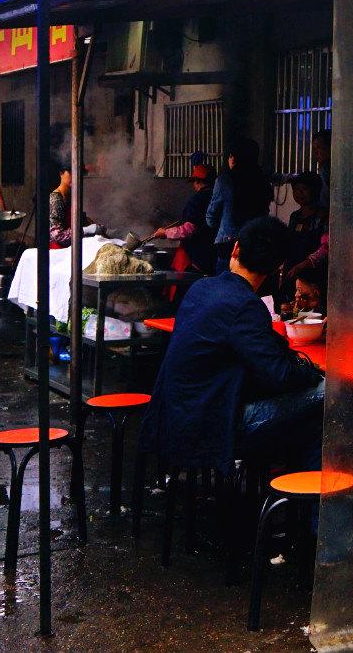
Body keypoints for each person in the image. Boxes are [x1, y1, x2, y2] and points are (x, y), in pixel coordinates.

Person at [142, 217, 325, 473]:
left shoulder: (201, 288)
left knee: (305, 414)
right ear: (277, 267)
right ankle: (308, 493)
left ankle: (287, 482)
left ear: (236, 248)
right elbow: (280, 374)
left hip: (172, 415)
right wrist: (309, 371)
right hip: (210, 425)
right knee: (326, 391)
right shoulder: (246, 305)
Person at [205, 137, 272, 273]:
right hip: (254, 242)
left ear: (235, 158)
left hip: (228, 243)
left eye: (231, 155)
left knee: (225, 282)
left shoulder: (224, 181)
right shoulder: (263, 181)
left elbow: (211, 218)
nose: (230, 159)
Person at [152, 163, 215, 274]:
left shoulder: (197, 200)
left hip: (198, 259)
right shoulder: (218, 196)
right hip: (214, 255)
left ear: (197, 181)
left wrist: (165, 233)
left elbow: (189, 230)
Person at [47, 163, 73, 248]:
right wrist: (85, 230)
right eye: (71, 172)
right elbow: (57, 235)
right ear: (61, 173)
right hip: (58, 251)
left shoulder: (71, 196)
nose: (75, 176)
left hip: (69, 248)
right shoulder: (55, 199)